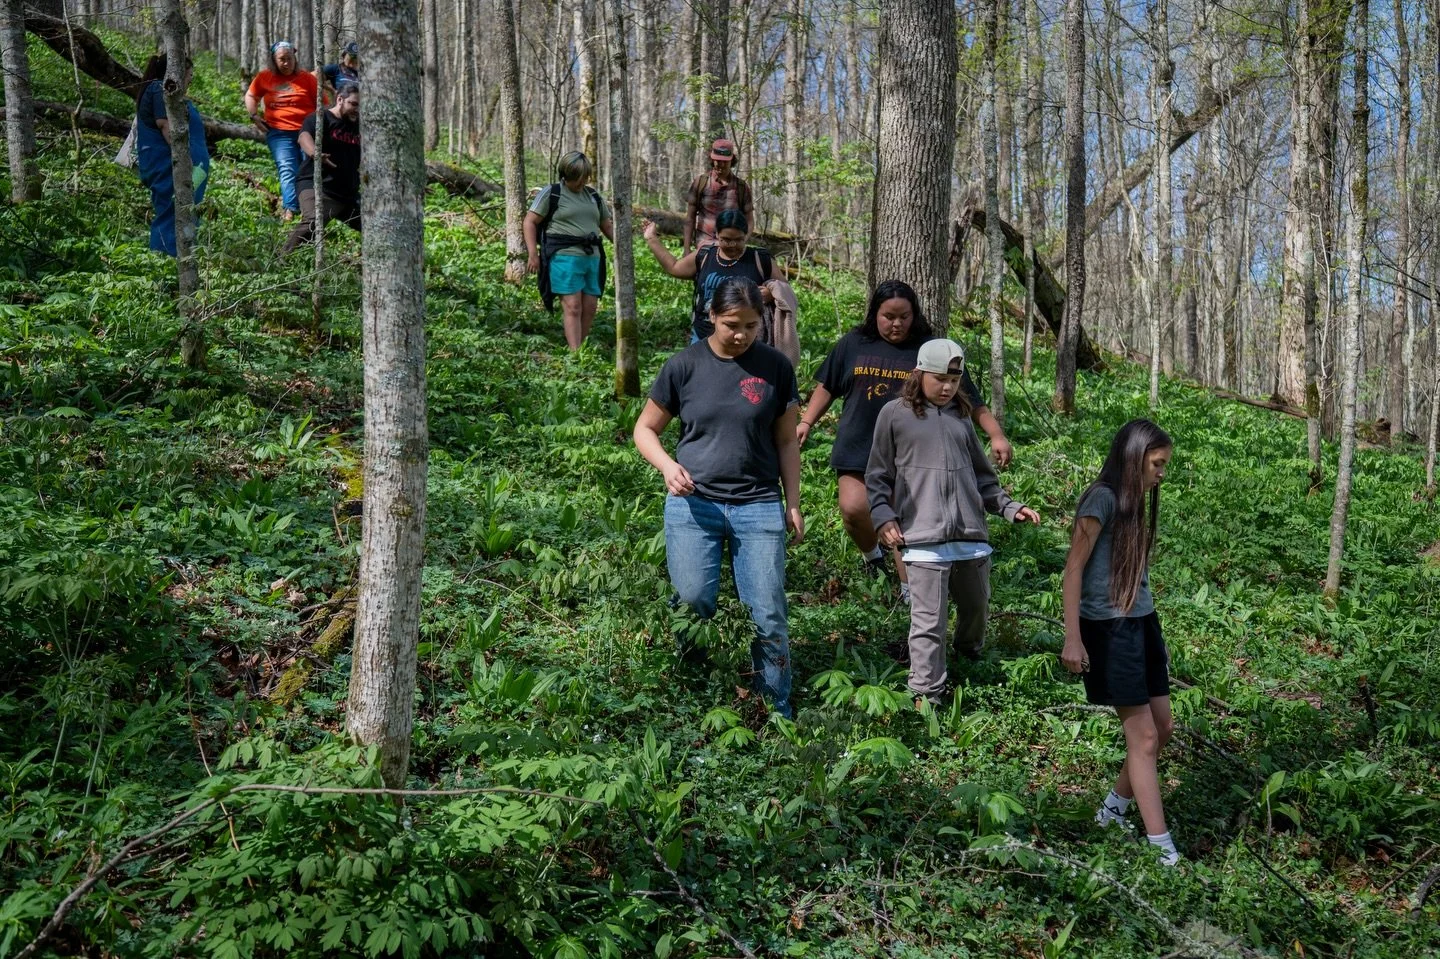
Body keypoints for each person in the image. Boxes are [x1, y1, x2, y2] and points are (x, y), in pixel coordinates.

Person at [632, 277, 804, 719]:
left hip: (759, 504)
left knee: (767, 612)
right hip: (695, 505)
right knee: (693, 601)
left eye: (751, 325)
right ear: (711, 317)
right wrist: (669, 467)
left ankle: (775, 708)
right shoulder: (683, 366)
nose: (742, 334)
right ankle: (693, 694)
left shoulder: (776, 368)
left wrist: (793, 502)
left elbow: (787, 442)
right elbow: (645, 429)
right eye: (732, 324)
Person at [798, 281, 1014, 602]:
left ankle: (910, 594)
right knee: (854, 509)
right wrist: (806, 421)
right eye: (888, 316)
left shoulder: (929, 350)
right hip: (859, 444)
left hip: (912, 452)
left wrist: (995, 435)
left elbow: (969, 398)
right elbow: (827, 386)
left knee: (902, 523)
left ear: (915, 316)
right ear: (876, 315)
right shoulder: (854, 343)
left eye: (904, 317)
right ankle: (873, 556)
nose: (896, 324)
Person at [866, 339, 1039, 706]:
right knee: (928, 623)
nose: (947, 387)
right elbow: (877, 476)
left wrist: (1009, 507)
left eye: (954, 380)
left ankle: (968, 659)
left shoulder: (961, 418)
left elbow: (983, 477)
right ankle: (926, 694)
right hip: (922, 540)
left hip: (969, 538)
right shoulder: (893, 415)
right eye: (939, 379)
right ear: (919, 374)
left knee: (976, 608)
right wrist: (883, 517)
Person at [1061, 419, 1179, 866]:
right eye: (1156, 464)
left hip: (1142, 621)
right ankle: (1161, 848)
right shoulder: (1102, 498)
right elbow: (1073, 569)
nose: (1161, 475)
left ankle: (1113, 809)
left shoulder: (1134, 501)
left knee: (1163, 727)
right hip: (1108, 628)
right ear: (1135, 459)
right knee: (1144, 736)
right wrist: (1073, 637)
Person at [642, 209, 782, 343]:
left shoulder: (760, 259)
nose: (732, 245)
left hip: (744, 340)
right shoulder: (705, 255)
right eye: (726, 239)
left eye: (738, 240)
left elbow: (785, 291)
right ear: (717, 235)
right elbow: (674, 268)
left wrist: (772, 293)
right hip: (703, 336)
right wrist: (651, 238)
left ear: (746, 235)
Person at [523, 151, 614, 351]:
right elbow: (530, 221)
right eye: (577, 179)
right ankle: (575, 353)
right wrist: (532, 253)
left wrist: (622, 248)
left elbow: (606, 225)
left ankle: (580, 346)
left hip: (592, 258)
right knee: (573, 306)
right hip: (564, 257)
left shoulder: (593, 196)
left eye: (584, 178)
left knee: (590, 307)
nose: (581, 183)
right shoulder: (552, 193)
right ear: (566, 175)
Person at [134, 53, 210, 257]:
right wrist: (187, 160)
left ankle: (184, 256)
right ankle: (165, 259)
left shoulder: (169, 94)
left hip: (191, 167)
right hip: (170, 165)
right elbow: (167, 128)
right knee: (172, 211)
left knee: (187, 210)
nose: (190, 81)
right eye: (188, 76)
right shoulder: (158, 90)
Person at [281, 80, 361, 255]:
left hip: (346, 194)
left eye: (360, 105)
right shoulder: (320, 117)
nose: (357, 109)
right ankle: (283, 259)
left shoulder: (361, 125)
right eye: (353, 104)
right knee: (313, 221)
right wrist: (315, 154)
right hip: (314, 184)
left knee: (373, 224)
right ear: (340, 99)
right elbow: (304, 137)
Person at [244, 40, 320, 221]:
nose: (286, 63)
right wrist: (254, 115)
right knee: (287, 169)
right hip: (279, 132)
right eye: (282, 59)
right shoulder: (265, 77)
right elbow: (251, 95)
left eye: (290, 58)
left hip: (307, 132)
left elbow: (323, 104)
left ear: (295, 57)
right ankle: (290, 210)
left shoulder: (307, 78)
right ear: (274, 60)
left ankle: (310, 210)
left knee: (307, 168)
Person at [684, 138, 754, 255]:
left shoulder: (741, 187)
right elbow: (690, 218)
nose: (721, 164)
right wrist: (686, 249)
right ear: (712, 159)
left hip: (731, 249)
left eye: (725, 161)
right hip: (704, 246)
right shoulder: (700, 182)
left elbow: (750, 221)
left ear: (732, 160)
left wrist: (741, 242)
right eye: (717, 160)